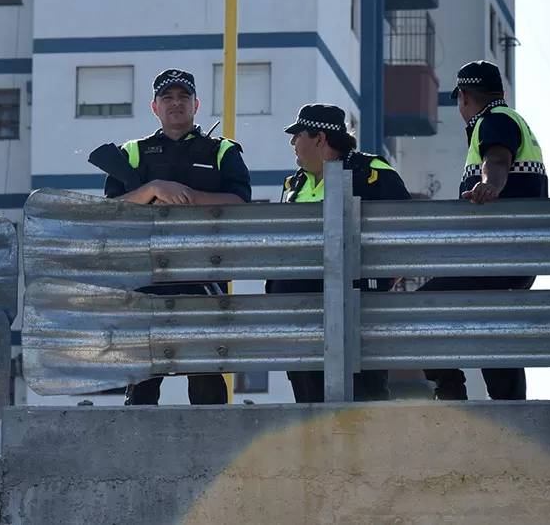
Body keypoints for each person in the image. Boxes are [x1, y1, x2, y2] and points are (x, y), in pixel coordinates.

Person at [101, 68, 252, 405]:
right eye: (167, 97)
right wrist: (154, 189)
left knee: (207, 384)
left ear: (196, 104)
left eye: (183, 97)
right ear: (155, 107)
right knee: (142, 385)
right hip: (146, 281)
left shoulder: (222, 151)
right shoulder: (132, 152)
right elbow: (111, 211)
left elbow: (241, 203)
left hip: (205, 279)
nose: (175, 103)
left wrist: (187, 195)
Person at [266, 103, 411, 402]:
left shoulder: (372, 172)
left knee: (364, 416)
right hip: (300, 323)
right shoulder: (294, 183)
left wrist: (380, 284)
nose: (293, 143)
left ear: (319, 138)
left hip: (357, 320)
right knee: (309, 418)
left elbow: (407, 233)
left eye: (298, 135)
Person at [421, 60, 547, 401]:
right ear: (500, 91)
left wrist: (489, 185)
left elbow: (497, 161)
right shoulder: (512, 121)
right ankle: (513, 412)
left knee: (420, 307)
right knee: (495, 332)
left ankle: (449, 390)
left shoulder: (494, 121)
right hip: (517, 255)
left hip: (498, 254)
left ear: (463, 97)